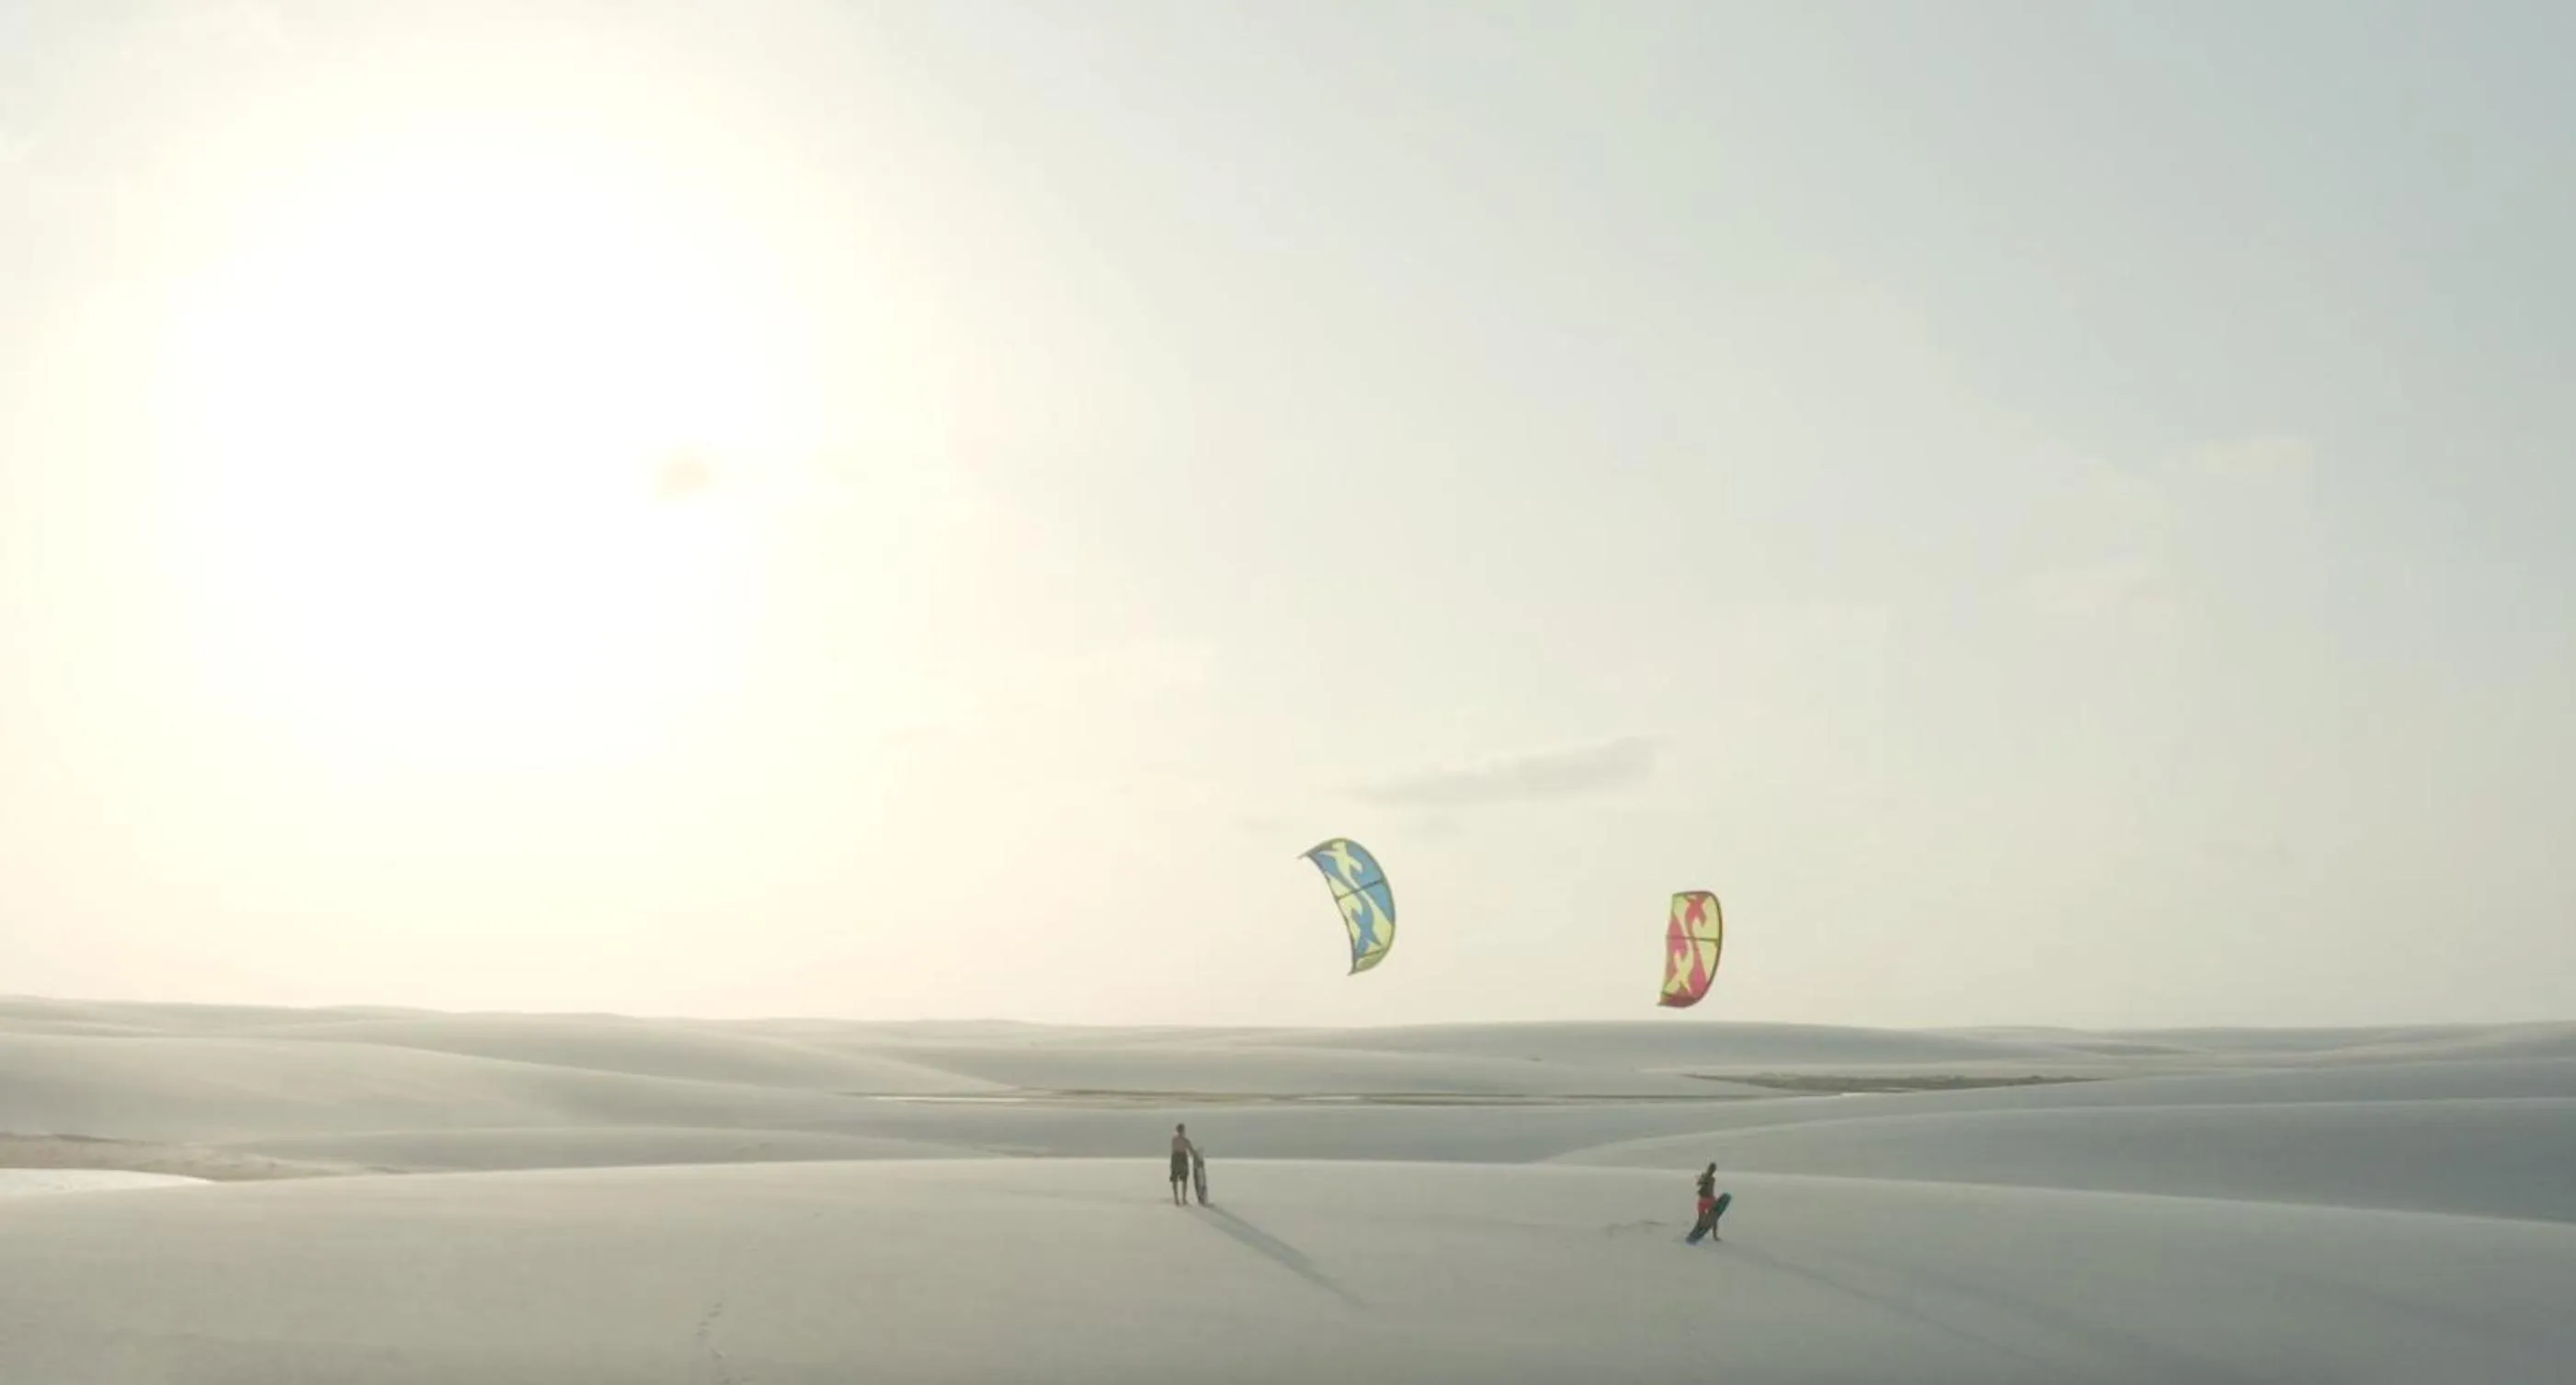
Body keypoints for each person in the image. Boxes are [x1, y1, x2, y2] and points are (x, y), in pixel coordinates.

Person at [1685, 1162, 1731, 1244]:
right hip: (1709, 1200)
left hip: (1702, 1200)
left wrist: (1701, 1180)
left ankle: (1695, 1233)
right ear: (1713, 1170)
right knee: (1714, 1219)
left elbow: (1699, 1184)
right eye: (1713, 1169)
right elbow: (1709, 1190)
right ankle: (1714, 1236)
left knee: (1701, 1219)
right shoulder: (1711, 1179)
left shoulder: (1704, 1177)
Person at [1168, 1123, 1198, 1206]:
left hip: (1175, 1158)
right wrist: (1196, 1155)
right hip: (1182, 1158)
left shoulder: (1174, 1139)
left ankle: (1176, 1199)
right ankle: (1183, 1199)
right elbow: (1191, 1151)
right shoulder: (1185, 1140)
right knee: (1184, 1179)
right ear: (1183, 1130)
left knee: (1175, 1179)